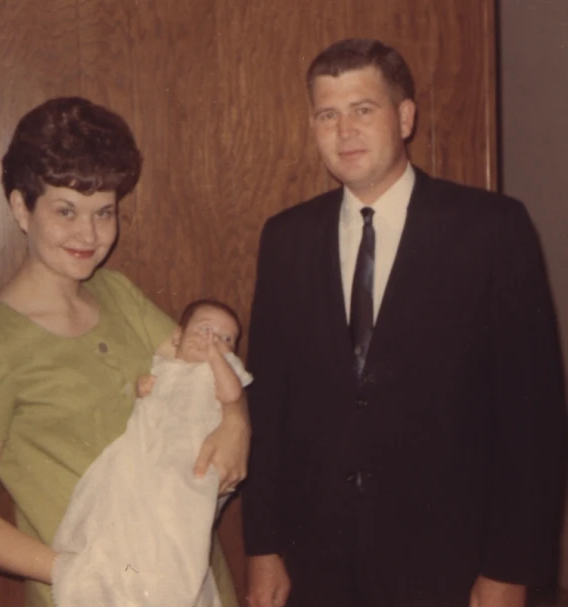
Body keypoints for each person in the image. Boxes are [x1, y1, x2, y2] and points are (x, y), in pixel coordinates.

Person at [242, 38, 567, 607]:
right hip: (318, 564)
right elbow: (268, 406)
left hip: (452, 566)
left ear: (406, 116)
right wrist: (262, 546)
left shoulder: (491, 229)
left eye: (363, 110)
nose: (345, 132)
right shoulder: (286, 238)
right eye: (328, 115)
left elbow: (532, 421)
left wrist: (511, 571)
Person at [0, 96, 249, 607]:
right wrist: (75, 572)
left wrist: (236, 420)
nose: (89, 235)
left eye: (104, 213)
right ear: (20, 208)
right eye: (65, 211)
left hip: (191, 578)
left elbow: (205, 370)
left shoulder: (118, 294)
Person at [52, 299, 253, 607]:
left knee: (178, 518)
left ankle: (173, 591)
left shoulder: (223, 371)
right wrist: (143, 388)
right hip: (150, 447)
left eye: (227, 339)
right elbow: (149, 401)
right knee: (123, 496)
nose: (214, 340)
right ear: (177, 336)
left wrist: (216, 357)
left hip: (189, 454)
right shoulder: (165, 365)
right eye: (205, 330)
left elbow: (231, 395)